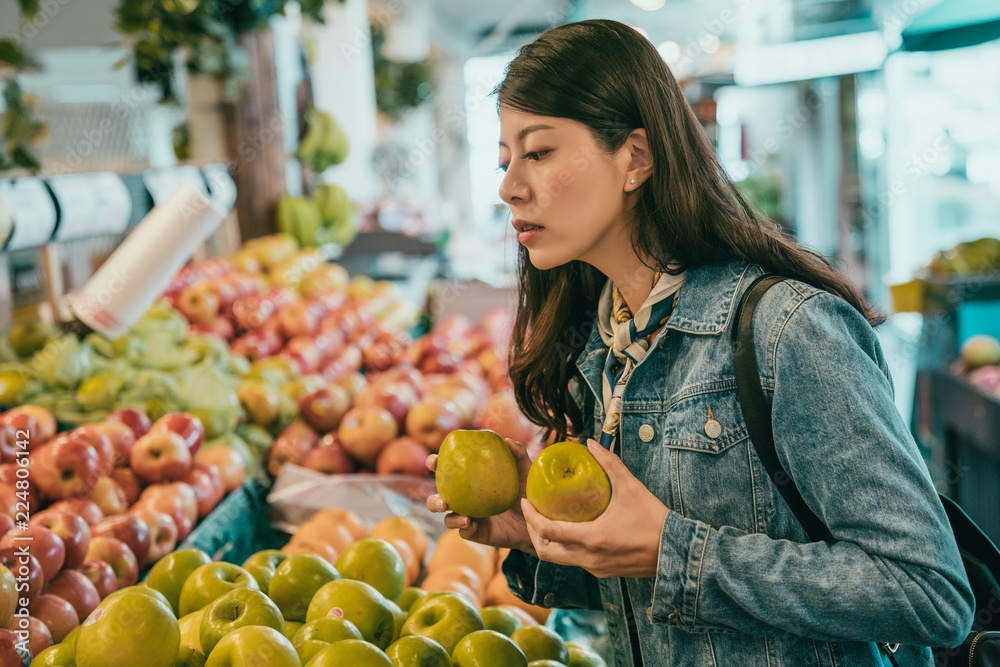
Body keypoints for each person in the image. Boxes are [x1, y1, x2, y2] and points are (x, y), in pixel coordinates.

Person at [427, 18, 974, 666]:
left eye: (538, 152)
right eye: (504, 159)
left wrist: (675, 550)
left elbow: (929, 591)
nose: (508, 186)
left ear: (635, 157)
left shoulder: (787, 331)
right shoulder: (602, 348)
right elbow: (651, 597)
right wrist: (536, 537)